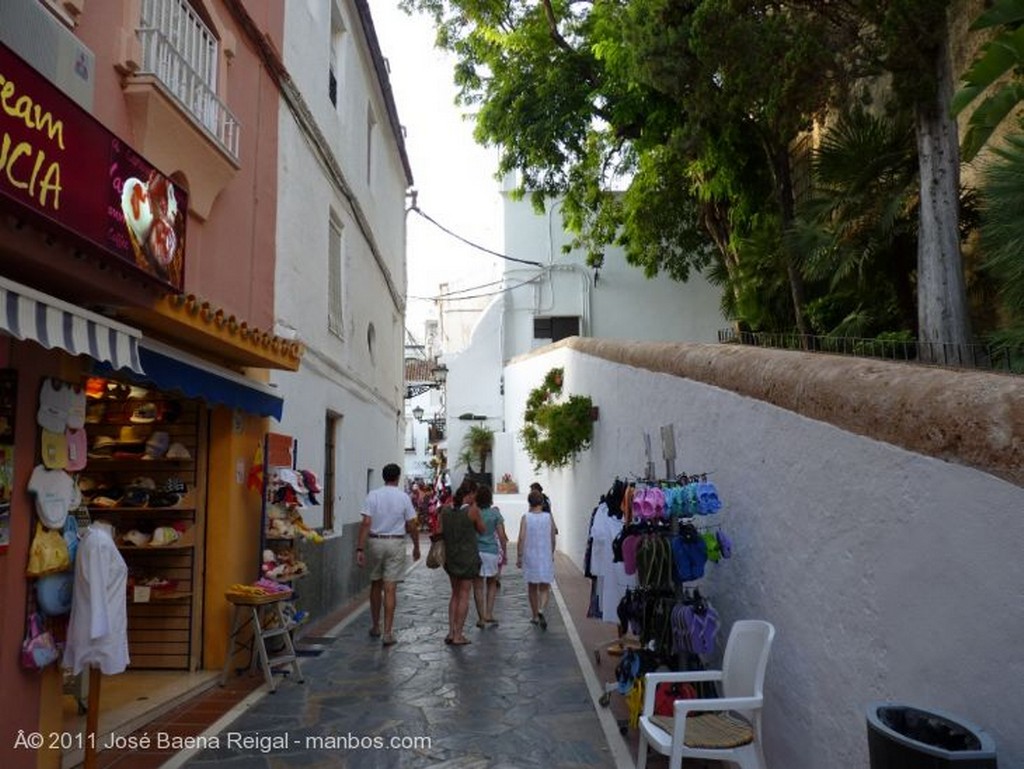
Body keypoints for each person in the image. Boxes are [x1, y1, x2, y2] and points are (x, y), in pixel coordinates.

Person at [356, 463, 420, 646]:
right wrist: (416, 546)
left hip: (375, 542)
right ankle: (388, 633)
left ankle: (376, 626)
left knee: (375, 584)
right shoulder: (403, 498)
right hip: (395, 542)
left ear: (383, 477)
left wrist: (360, 548)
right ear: (398, 477)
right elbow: (411, 525)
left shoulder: (373, 495)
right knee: (390, 588)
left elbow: (366, 522)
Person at [440, 479, 484, 645]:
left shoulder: (445, 510)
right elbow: (482, 529)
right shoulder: (473, 511)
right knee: (464, 594)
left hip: (451, 557)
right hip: (467, 557)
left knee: (454, 594)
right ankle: (459, 635)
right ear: (471, 494)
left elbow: (440, 531)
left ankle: (451, 632)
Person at [517, 489, 558, 629]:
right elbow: (553, 537)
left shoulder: (526, 518)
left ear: (529, 502)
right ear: (541, 502)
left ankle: (534, 615)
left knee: (532, 587)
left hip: (530, 555)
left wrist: (519, 555)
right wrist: (551, 552)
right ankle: (541, 609)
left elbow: (521, 538)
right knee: (545, 587)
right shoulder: (548, 517)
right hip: (544, 554)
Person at [472, 484, 507, 628]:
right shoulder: (495, 514)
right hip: (491, 551)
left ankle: (480, 617)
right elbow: (501, 536)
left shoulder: (474, 513)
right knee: (492, 583)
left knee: (478, 585)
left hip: (477, 551)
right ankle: (489, 613)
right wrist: (503, 552)